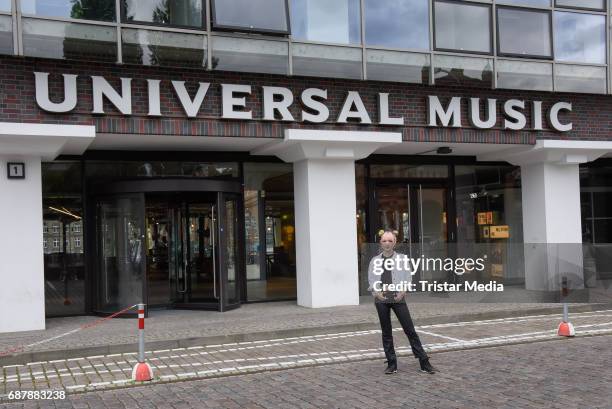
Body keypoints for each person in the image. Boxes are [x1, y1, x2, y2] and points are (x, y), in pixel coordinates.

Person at [368, 229, 437, 375]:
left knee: (410, 330)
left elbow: (408, 278)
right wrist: (377, 294)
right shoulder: (375, 261)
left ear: (395, 243)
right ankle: (392, 364)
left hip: (398, 298)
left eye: (390, 241)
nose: (387, 243)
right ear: (380, 242)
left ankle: (424, 362)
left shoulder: (402, 259)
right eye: (384, 240)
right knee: (386, 332)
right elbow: (372, 280)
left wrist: (403, 292)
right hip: (381, 300)